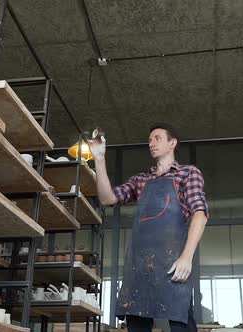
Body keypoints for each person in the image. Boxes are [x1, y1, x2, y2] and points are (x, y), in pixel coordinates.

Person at [89, 123, 209, 332]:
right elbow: (108, 199)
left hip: (172, 265)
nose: (151, 143)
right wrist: (99, 159)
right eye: (150, 140)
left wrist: (186, 257)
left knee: (181, 324)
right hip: (139, 267)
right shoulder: (141, 180)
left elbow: (200, 213)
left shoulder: (187, 173)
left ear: (173, 143)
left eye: (157, 138)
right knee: (136, 326)